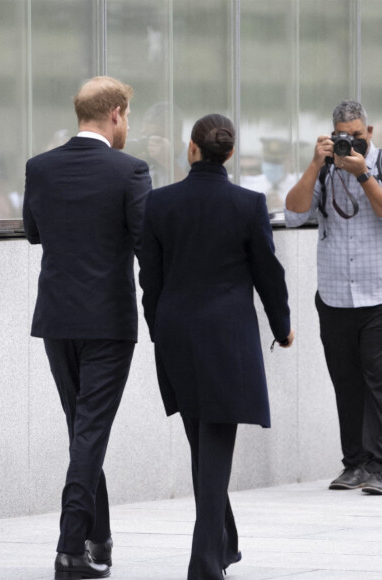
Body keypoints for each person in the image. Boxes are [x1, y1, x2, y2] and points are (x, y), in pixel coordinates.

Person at [140, 114, 294, 580]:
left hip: (177, 334)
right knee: (215, 447)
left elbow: (150, 279)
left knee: (203, 447)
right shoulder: (248, 203)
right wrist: (282, 325)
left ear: (192, 149)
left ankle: (223, 544)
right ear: (228, 153)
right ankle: (205, 564)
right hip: (227, 337)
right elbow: (268, 271)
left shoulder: (159, 202)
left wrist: (158, 331)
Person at [22, 76, 151, 579]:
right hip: (109, 322)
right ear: (116, 113)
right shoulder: (130, 170)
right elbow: (146, 245)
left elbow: (34, 233)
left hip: (57, 320)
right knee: (90, 431)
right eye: (127, 117)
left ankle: (99, 536)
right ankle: (70, 547)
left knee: (83, 431)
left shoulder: (41, 167)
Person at [285, 100, 382, 495]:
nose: (351, 143)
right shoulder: (324, 170)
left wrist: (364, 176)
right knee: (345, 382)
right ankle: (354, 464)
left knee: (377, 383)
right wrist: (314, 164)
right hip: (335, 297)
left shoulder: (376, 165)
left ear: (369, 133)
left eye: (357, 136)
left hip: (376, 294)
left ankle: (378, 465)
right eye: (343, 136)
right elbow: (293, 213)